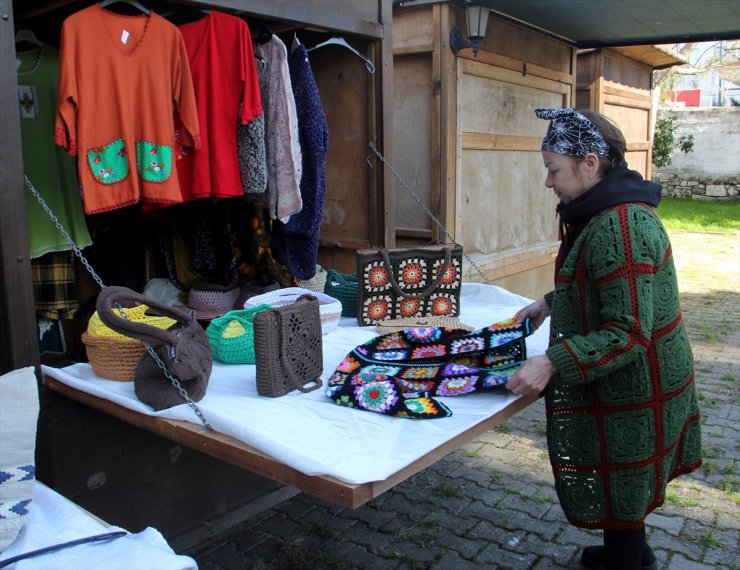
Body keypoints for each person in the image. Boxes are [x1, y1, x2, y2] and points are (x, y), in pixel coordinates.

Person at [507, 108, 702, 570]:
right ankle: (632, 554)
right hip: (637, 377)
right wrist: (550, 304)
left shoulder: (622, 224)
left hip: (640, 382)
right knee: (625, 480)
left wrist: (552, 362)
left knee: (625, 474)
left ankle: (627, 561)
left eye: (554, 170)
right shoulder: (605, 211)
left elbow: (628, 330)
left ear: (590, 164)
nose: (549, 182)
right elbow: (603, 284)